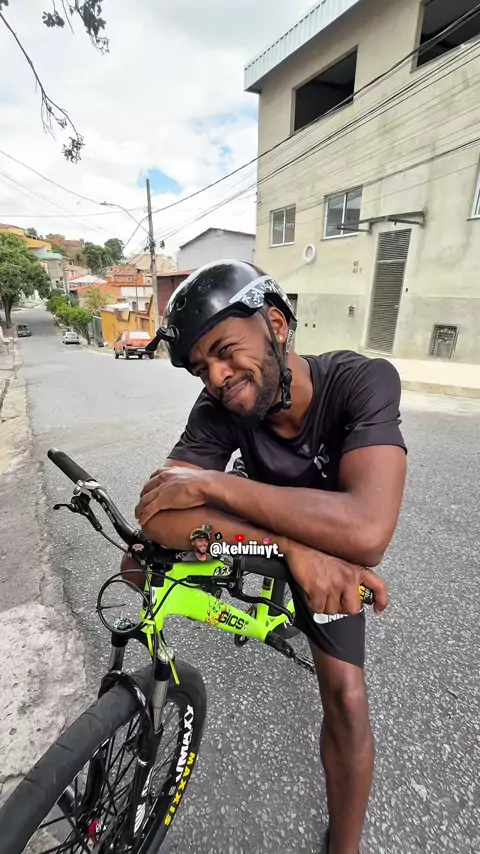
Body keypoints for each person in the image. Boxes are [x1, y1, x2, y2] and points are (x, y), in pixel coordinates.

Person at [133, 260, 407, 854]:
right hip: (291, 541)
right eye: (201, 368)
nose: (217, 377)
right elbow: (156, 512)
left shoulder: (363, 381)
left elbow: (366, 531)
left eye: (225, 351)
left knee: (346, 699)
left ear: (276, 325)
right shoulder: (217, 410)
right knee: (146, 553)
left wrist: (215, 486)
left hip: (334, 549)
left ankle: (345, 846)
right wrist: (291, 546)